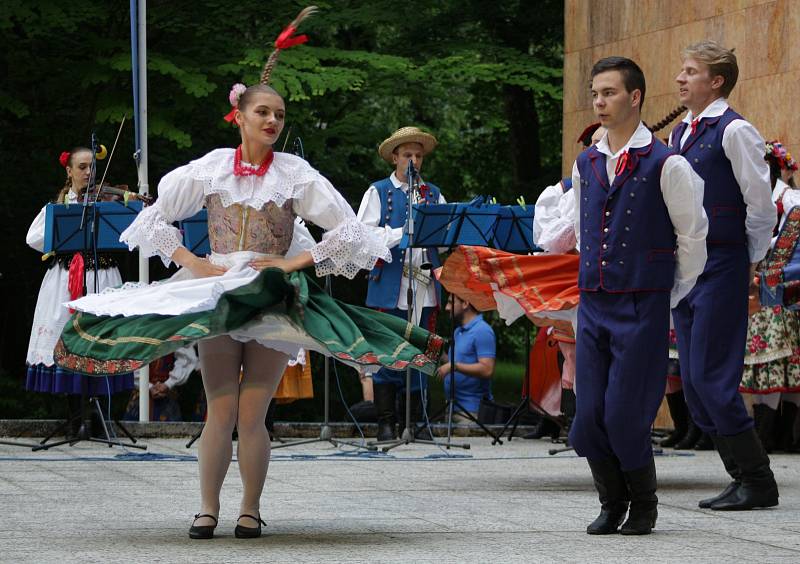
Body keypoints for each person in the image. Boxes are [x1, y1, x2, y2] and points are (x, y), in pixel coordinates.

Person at [54, 7, 442, 541]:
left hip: (275, 296)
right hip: (218, 290)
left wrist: (291, 262)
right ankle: (207, 509)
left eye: (279, 114)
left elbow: (351, 232)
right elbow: (152, 216)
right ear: (239, 115)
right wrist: (192, 263)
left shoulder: (295, 173)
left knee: (254, 411)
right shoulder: (211, 166)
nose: (273, 121)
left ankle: (250, 509)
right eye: (263, 111)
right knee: (220, 408)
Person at [569, 56, 707, 535]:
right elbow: (580, 227)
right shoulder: (585, 161)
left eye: (608, 93)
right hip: (594, 304)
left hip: (643, 305)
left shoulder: (668, 163)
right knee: (587, 420)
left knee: (626, 417)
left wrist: (664, 294)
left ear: (635, 97)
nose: (599, 102)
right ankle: (612, 502)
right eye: (595, 94)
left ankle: (643, 505)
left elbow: (693, 238)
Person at [670, 40, 779, 510]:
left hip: (723, 263)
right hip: (688, 267)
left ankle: (756, 479)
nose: (680, 78)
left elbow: (759, 204)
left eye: (690, 71)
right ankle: (743, 476)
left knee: (713, 378)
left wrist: (748, 262)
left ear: (715, 81)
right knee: (694, 384)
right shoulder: (680, 132)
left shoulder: (736, 131)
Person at [25, 148, 135, 433]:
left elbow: (130, 232)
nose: (88, 173)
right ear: (69, 171)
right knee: (68, 338)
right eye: (82, 167)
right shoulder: (59, 204)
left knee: (101, 341)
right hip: (65, 279)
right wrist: (61, 224)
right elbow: (33, 238)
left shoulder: (108, 203)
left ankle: (100, 418)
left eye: (92, 168)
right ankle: (75, 417)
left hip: (103, 276)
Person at [357, 126, 446, 441]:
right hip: (389, 285)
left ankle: (417, 421)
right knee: (387, 351)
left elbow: (444, 238)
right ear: (394, 157)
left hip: (424, 285)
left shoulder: (433, 193)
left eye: (418, 155)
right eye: (407, 154)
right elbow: (363, 237)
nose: (414, 160)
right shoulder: (378, 191)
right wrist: (401, 234)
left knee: (421, 352)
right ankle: (386, 422)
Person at [740, 141, 800, 452]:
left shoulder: (789, 198)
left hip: (779, 286)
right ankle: (771, 435)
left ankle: (776, 436)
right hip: (754, 284)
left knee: (777, 359)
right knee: (760, 361)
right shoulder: (750, 195)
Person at [435, 296, 496, 421]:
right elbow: (454, 362)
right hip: (452, 408)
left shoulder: (483, 330)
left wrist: (453, 366)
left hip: (472, 413)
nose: (447, 308)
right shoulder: (458, 331)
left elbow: (487, 369)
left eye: (451, 303)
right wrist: (438, 353)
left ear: (465, 303)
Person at [123, 344, 199, 422]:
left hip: (167, 395)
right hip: (140, 397)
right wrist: (148, 386)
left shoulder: (175, 334)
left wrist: (168, 384)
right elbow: (130, 361)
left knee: (171, 431)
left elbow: (185, 358)